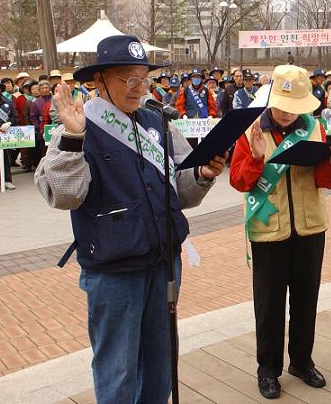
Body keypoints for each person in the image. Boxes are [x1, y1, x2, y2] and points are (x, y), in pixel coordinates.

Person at [35, 34, 226, 404]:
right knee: (118, 368)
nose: (139, 88)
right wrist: (73, 139)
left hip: (163, 263)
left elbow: (181, 191)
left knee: (161, 361)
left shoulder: (159, 123)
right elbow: (62, 194)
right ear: (98, 80)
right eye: (129, 79)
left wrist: (202, 174)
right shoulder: (78, 126)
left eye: (144, 78)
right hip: (113, 270)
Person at [228, 64, 331, 400]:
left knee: (306, 300)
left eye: (293, 107)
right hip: (268, 229)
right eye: (281, 105)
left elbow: (322, 182)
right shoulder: (250, 130)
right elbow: (238, 181)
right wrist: (254, 157)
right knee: (268, 305)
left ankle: (301, 361)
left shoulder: (315, 128)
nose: (285, 113)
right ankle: (267, 370)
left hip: (310, 227)